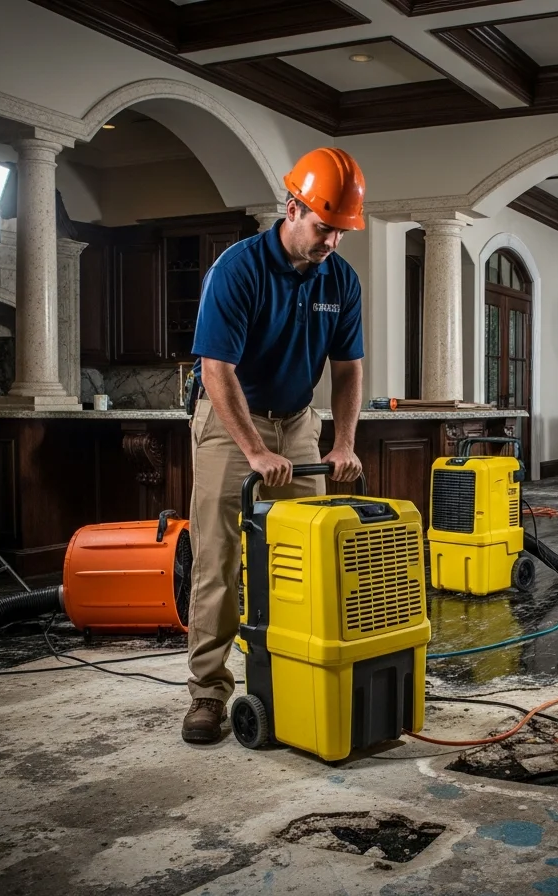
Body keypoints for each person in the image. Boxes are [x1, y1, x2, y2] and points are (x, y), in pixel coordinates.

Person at [181, 147, 367, 744]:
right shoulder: (238, 269)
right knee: (219, 556)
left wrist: (343, 441)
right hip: (232, 417)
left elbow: (347, 368)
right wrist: (255, 452)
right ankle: (209, 693)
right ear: (292, 208)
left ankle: (296, 674)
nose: (331, 242)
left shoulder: (340, 278)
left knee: (311, 552)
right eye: (323, 227)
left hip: (297, 419)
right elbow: (217, 369)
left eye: (340, 232)